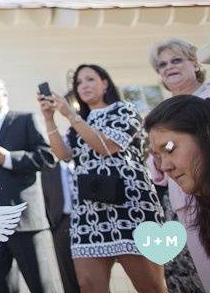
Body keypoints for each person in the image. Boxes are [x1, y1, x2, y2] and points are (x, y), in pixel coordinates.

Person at [39, 64, 166, 293]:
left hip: (130, 207)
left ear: (105, 83)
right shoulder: (78, 124)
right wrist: (49, 119)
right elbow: (63, 155)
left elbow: (107, 146)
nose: (83, 86)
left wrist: (71, 114)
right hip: (89, 212)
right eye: (78, 83)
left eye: (90, 79)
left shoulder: (124, 109)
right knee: (88, 284)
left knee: (150, 286)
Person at [147, 37, 210, 292]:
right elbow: (158, 174)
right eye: (162, 65)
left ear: (195, 63)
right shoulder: (159, 116)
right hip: (188, 204)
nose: (169, 67)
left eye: (176, 60)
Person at [0, 76, 62, 293]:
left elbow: (48, 157)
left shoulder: (25, 120)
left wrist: (7, 158)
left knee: (42, 286)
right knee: (1, 287)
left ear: (5, 94)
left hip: (25, 220)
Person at [41, 159, 80, 293]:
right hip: (61, 223)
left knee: (96, 278)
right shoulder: (47, 166)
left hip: (89, 220)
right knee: (69, 278)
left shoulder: (84, 158)